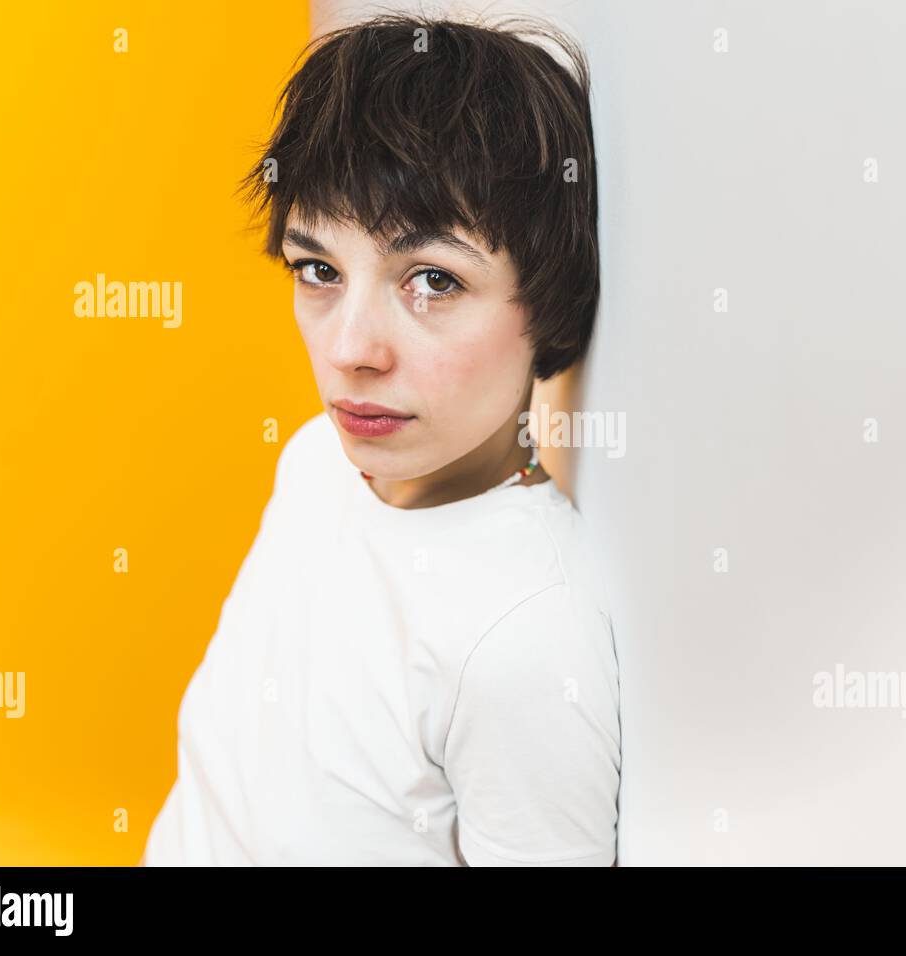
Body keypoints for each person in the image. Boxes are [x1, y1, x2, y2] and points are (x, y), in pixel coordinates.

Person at [141, 13, 621, 866]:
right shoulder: (315, 462)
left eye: (433, 279)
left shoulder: (524, 634)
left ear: (549, 303)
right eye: (318, 270)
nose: (350, 351)